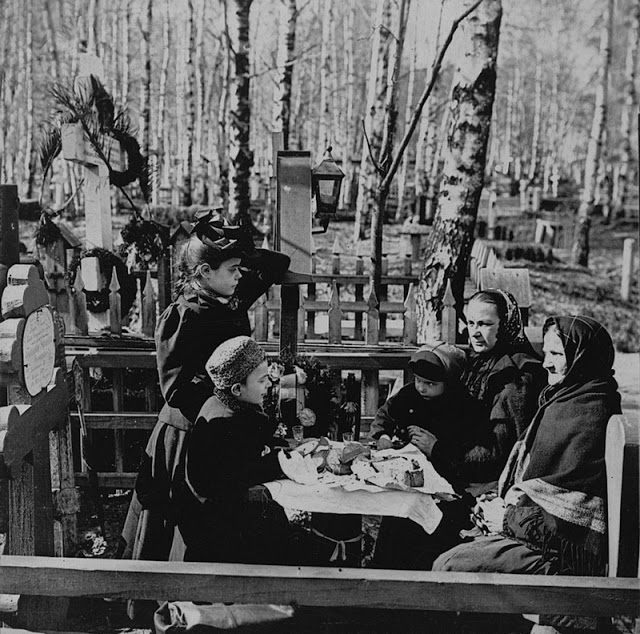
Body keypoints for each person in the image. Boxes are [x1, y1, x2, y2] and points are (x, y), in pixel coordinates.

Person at [119, 210, 290, 568]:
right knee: (186, 527)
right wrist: (228, 402)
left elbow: (277, 263)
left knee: (222, 522)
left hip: (224, 427)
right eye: (232, 269)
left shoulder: (231, 295)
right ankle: (171, 604)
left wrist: (233, 245)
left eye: (240, 268)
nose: (240, 276)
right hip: (191, 434)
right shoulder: (185, 315)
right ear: (204, 272)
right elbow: (177, 390)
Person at [434, 316, 621, 631]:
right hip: (536, 529)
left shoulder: (590, 412)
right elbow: (539, 487)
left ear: (582, 357)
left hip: (564, 556)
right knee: (445, 547)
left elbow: (569, 517)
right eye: (546, 353)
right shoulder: (567, 398)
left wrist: (505, 518)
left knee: (448, 566)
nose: (547, 363)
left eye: (558, 355)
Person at [175, 336, 294, 564]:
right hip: (215, 528)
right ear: (237, 389)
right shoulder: (225, 422)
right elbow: (240, 473)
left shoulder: (226, 404)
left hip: (222, 511)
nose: (269, 384)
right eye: (261, 381)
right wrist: (281, 462)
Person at [370, 342, 478, 570]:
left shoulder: (462, 406)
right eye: (419, 381)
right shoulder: (408, 395)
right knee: (395, 521)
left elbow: (466, 451)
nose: (422, 388)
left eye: (431, 384)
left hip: (443, 480)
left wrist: (437, 447)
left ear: (448, 383)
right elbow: (384, 416)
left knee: (424, 537)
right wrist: (382, 435)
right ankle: (385, 571)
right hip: (403, 474)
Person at [461, 289, 546, 489]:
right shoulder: (478, 362)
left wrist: (437, 451)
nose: (475, 332)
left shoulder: (518, 378)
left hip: (492, 481)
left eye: (485, 324)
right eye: (471, 323)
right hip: (467, 462)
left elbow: (504, 453)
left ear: (506, 325)